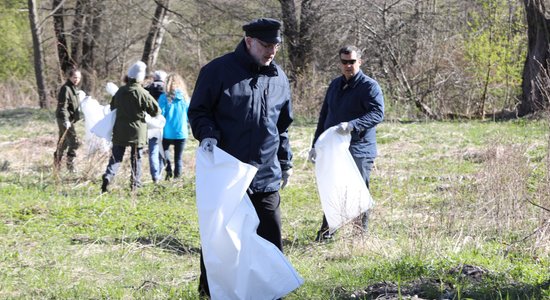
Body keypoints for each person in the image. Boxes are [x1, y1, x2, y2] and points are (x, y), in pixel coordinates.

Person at [188, 18, 293, 297]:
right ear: (249, 41)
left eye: (276, 46)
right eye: (265, 45)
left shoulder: (279, 77)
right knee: (221, 240)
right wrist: (207, 134)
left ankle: (272, 294)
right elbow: (198, 111)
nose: (271, 51)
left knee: (270, 241)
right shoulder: (217, 71)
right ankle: (210, 292)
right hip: (227, 174)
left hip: (266, 175)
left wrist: (285, 162)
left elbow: (282, 126)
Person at [308, 45, 385, 241]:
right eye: (344, 62)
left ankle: (360, 237)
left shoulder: (369, 86)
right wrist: (315, 145)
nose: (348, 65)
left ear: (360, 61)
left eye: (352, 61)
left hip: (360, 147)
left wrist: (353, 125)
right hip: (335, 147)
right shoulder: (335, 85)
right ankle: (326, 234)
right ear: (339, 63)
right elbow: (325, 116)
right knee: (333, 187)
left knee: (357, 189)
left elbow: (377, 113)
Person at [101, 61, 160, 193]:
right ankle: (135, 185)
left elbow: (112, 107)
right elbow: (156, 111)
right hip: (137, 132)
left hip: (120, 130)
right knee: (136, 159)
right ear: (140, 78)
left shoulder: (120, 92)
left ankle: (108, 176)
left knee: (116, 157)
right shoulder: (143, 93)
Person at [159, 73, 190, 180]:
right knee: (178, 158)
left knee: (165, 152)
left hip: (167, 132)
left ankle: (168, 171)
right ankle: (177, 178)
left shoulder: (163, 98)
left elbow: (160, 114)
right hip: (181, 132)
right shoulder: (186, 98)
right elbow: (190, 115)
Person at [54, 68, 83, 172]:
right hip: (63, 118)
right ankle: (70, 167)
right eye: (75, 77)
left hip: (68, 119)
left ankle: (56, 166)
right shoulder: (66, 88)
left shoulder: (73, 88)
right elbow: (62, 106)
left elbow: (74, 105)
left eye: (78, 78)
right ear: (70, 77)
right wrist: (66, 120)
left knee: (63, 143)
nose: (77, 79)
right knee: (74, 142)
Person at [145, 70, 167, 183]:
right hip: (164, 124)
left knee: (153, 150)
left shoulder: (147, 88)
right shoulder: (168, 89)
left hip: (151, 124)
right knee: (163, 149)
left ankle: (155, 176)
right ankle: (161, 171)